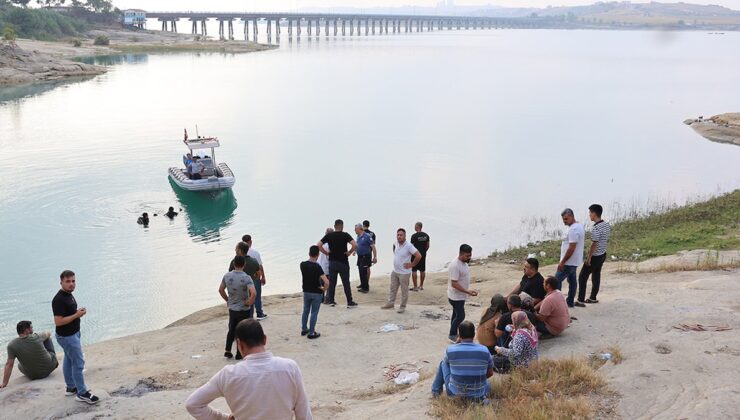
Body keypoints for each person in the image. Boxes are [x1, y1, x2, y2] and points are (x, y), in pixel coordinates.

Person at [185, 320, 312, 420]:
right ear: (265, 339)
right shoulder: (290, 368)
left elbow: (193, 404)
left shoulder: (228, 375)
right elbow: (303, 414)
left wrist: (222, 418)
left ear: (239, 344)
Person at [52, 270, 99, 404]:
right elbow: (58, 321)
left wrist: (78, 313)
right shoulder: (59, 299)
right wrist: (76, 315)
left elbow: (70, 313)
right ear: (61, 282)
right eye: (68, 281)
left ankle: (71, 387)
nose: (71, 284)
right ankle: (82, 393)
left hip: (72, 334)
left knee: (69, 359)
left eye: (73, 281)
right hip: (67, 336)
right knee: (78, 363)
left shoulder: (68, 295)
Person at [431, 321, 493, 400]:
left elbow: (449, 362)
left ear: (459, 336)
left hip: (455, 394)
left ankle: (435, 392)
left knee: (443, 363)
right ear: (474, 335)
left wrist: (456, 344)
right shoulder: (484, 350)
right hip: (479, 394)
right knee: (486, 383)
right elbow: (490, 373)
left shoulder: (451, 350)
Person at [2, 321, 59, 388]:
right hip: (50, 367)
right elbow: (48, 333)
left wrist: (4, 383)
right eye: (31, 328)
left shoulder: (12, 345)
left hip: (32, 376)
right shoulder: (37, 336)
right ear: (26, 330)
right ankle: (54, 362)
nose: (33, 330)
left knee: (19, 365)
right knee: (47, 338)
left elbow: (9, 364)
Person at [219, 256, 256, 360]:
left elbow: (221, 290)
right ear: (244, 265)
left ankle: (227, 350)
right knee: (242, 331)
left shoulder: (227, 276)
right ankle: (239, 353)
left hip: (233, 308)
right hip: (244, 309)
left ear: (234, 264)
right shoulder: (246, 277)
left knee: (231, 329)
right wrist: (249, 302)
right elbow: (253, 293)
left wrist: (227, 300)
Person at [317, 219, 358, 308]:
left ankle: (331, 301)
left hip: (332, 262)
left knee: (332, 282)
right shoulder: (345, 235)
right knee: (346, 282)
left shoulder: (329, 236)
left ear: (334, 226)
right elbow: (355, 245)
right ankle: (349, 302)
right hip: (343, 262)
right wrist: (349, 252)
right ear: (342, 226)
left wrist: (326, 253)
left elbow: (318, 245)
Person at [380, 228, 421, 314]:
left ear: (405, 236)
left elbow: (418, 256)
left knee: (404, 291)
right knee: (393, 289)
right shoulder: (395, 243)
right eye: (398, 235)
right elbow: (395, 251)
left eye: (401, 235)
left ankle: (402, 307)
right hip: (395, 271)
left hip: (404, 273)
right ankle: (391, 303)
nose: (399, 237)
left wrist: (412, 264)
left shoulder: (409, 246)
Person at [577, 204, 612, 305]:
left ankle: (580, 299)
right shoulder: (606, 225)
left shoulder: (596, 228)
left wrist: (588, 258)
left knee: (582, 277)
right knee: (596, 275)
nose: (589, 215)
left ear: (594, 214)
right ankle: (593, 297)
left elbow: (594, 244)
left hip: (595, 256)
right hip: (603, 254)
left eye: (590, 213)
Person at [447, 244, 478, 342]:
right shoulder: (455, 265)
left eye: (470, 255)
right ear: (461, 254)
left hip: (460, 295)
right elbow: (454, 283)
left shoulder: (463, 263)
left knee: (456, 314)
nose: (469, 258)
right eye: (467, 256)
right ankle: (452, 334)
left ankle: (454, 332)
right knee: (461, 315)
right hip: (455, 296)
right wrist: (467, 291)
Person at [556, 208, 585, 308]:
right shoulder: (579, 225)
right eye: (563, 219)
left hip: (568, 262)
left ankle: (558, 304)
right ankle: (570, 301)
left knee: (556, 281)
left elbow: (571, 248)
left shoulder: (573, 229)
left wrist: (562, 262)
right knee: (572, 281)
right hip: (574, 261)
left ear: (572, 217)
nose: (564, 221)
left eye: (566, 219)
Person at [300, 246, 330, 339]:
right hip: (316, 291)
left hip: (306, 291)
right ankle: (312, 332)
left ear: (309, 253)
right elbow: (327, 282)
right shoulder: (317, 267)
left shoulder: (302, 264)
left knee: (305, 310)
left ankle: (304, 329)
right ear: (318, 254)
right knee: (314, 312)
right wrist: (324, 289)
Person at [228, 242, 261, 318]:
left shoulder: (234, 262)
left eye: (236, 248)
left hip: (236, 294)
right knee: (249, 315)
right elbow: (259, 274)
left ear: (239, 250)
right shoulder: (254, 261)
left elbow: (230, 276)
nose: (235, 250)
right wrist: (252, 280)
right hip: (249, 292)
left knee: (236, 317)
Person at [243, 234, 268, 320]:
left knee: (248, 296)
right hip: (255, 277)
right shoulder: (255, 253)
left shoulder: (240, 254)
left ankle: (249, 316)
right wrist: (263, 277)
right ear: (250, 242)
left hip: (244, 279)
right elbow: (260, 266)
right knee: (257, 296)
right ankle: (259, 314)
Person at [354, 223, 377, 293]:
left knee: (364, 271)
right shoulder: (358, 236)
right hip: (360, 256)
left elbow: (373, 246)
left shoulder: (367, 236)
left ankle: (366, 288)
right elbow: (357, 244)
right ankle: (362, 285)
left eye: (355, 229)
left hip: (366, 256)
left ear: (359, 229)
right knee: (360, 271)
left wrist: (375, 257)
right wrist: (355, 251)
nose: (354, 230)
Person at [410, 222, 430, 291]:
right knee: (422, 270)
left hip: (415, 255)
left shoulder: (414, 236)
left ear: (417, 227)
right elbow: (427, 246)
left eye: (415, 226)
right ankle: (421, 286)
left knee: (414, 270)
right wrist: (424, 251)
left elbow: (411, 247)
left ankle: (415, 286)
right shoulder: (426, 235)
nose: (414, 227)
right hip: (423, 255)